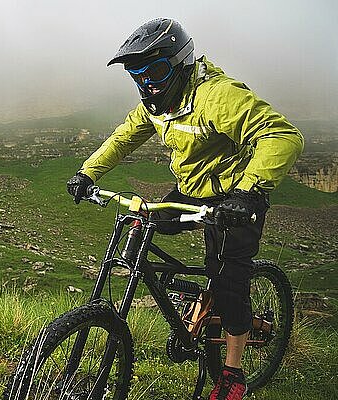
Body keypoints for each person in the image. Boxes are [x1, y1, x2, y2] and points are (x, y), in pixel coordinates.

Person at [66, 18, 303, 400]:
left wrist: (248, 193)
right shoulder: (158, 104)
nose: (147, 83)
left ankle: (232, 373)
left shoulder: (216, 96)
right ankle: (181, 299)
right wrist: (86, 172)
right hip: (192, 191)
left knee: (229, 282)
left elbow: (283, 136)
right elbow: (124, 137)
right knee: (140, 224)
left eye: (156, 70)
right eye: (135, 74)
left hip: (235, 197)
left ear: (181, 63)